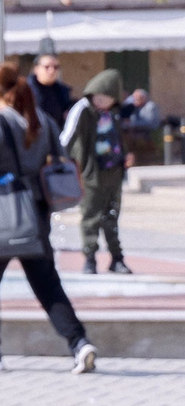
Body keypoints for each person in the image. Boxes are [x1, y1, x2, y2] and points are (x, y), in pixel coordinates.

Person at [0, 62, 97, 375]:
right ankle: (79, 342)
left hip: (0, 212)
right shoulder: (42, 120)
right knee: (47, 284)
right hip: (36, 212)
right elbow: (57, 157)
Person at [67, 68, 131, 275]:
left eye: (107, 97)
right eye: (98, 97)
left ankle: (116, 258)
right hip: (91, 174)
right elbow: (67, 138)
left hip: (113, 174)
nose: (102, 101)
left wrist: (126, 157)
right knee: (91, 217)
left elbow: (119, 140)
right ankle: (90, 257)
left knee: (111, 216)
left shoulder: (113, 115)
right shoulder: (84, 112)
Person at [28, 50, 74, 131]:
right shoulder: (27, 90)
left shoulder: (62, 92)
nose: (52, 71)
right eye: (47, 67)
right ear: (36, 69)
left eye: (55, 67)